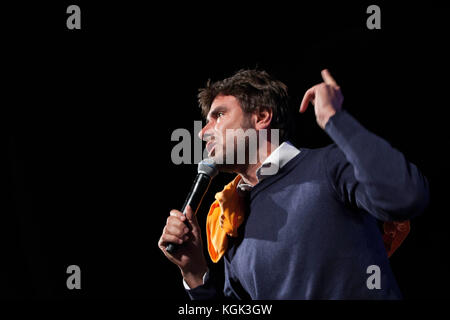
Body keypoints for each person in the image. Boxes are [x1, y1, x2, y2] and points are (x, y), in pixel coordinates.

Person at [158, 69, 429, 299]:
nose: (204, 133)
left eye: (218, 116)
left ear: (262, 117)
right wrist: (195, 273)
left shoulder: (329, 165)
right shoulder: (232, 222)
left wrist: (336, 120)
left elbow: (406, 196)